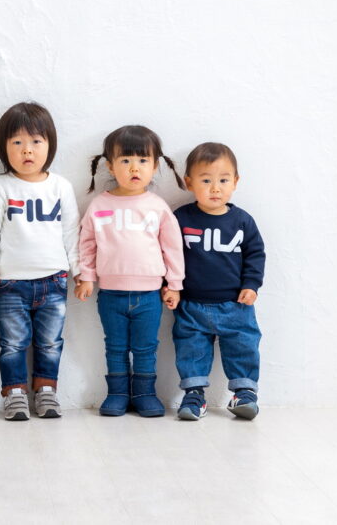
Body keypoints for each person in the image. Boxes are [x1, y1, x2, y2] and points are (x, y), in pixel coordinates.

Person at [0, 102, 79, 421]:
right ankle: (15, 392)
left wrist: (81, 271)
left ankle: (46, 390)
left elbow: (72, 232)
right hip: (11, 283)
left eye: (36, 141)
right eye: (17, 142)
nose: (27, 150)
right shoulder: (0, 187)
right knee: (12, 343)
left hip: (54, 281)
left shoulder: (60, 187)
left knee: (50, 342)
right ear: (3, 148)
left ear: (50, 145)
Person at [75, 125, 185, 417]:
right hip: (110, 294)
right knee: (115, 346)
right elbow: (87, 243)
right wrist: (87, 276)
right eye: (125, 160)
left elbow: (172, 248)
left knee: (146, 347)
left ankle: (145, 392)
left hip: (149, 295)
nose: (134, 168)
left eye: (143, 160)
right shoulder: (100, 205)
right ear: (110, 166)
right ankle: (118, 393)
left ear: (155, 166)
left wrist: (174, 284)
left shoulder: (157, 207)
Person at [172, 142, 265, 420]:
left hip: (235, 304)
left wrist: (251, 285)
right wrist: (171, 286)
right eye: (206, 180)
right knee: (191, 349)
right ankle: (193, 395)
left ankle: (244, 394)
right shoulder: (181, 218)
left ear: (235, 181)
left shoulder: (242, 221)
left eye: (223, 180)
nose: (215, 188)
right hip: (191, 304)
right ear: (189, 182)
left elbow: (255, 254)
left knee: (243, 346)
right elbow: (169, 254)